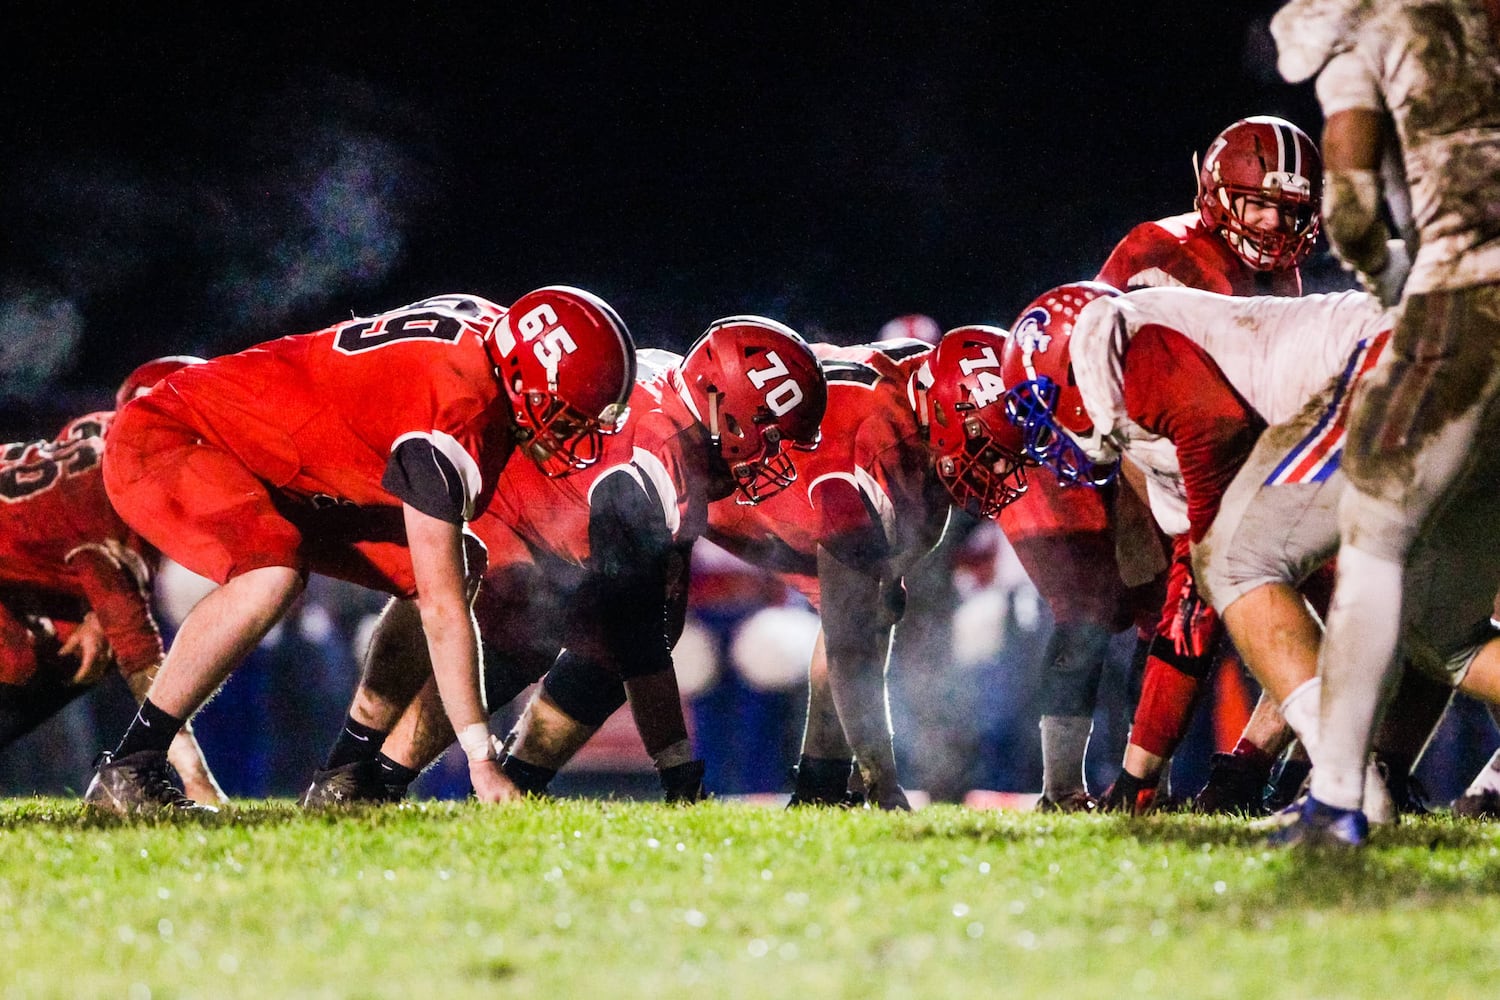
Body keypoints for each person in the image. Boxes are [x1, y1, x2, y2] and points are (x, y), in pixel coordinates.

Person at [84, 288, 636, 813]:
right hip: (176, 437)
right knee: (272, 572)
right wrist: (480, 759)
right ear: (523, 381)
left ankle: (344, 775)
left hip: (281, 465)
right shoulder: (452, 413)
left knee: (461, 561)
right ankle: (131, 765)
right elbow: (444, 614)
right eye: (567, 416)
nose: (572, 436)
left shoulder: (493, 341)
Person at [301, 317, 828, 805]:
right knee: (521, 634)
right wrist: (679, 773)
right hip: (502, 509)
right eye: (772, 431)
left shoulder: (680, 403)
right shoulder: (656, 465)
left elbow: (654, 620)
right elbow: (642, 645)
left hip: (556, 519)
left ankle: (511, 780)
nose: (776, 452)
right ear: (720, 404)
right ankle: (367, 775)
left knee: (602, 643)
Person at [1006, 115, 1324, 812]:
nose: (1273, 223)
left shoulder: (1282, 273)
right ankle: (1070, 787)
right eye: (1258, 203)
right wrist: (1125, 492)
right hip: (1123, 456)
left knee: (1209, 612)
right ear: (1216, 192)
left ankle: (1185, 783)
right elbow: (1083, 368)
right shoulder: (1162, 251)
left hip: (1205, 455)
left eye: (1288, 210)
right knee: (1096, 608)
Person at [997, 282, 1406, 820]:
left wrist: (1139, 782)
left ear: (1075, 373)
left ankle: (1345, 784)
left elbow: (1215, 426)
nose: (1050, 432)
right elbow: (1188, 611)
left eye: (1045, 406)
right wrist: (1136, 781)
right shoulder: (1140, 396)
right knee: (1435, 630)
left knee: (1244, 572)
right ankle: (1349, 780)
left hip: (1379, 370)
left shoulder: (1127, 357)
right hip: (1386, 367)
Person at [1268, 0, 1500, 846]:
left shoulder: (1372, 16)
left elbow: (1355, 208)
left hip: (1468, 295)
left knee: (1375, 536)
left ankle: (1337, 798)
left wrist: (1398, 283)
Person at [707, 335, 943, 810]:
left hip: (812, 472)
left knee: (869, 614)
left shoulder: (911, 391)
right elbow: (849, 650)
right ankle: (521, 774)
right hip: (766, 496)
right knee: (630, 638)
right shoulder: (849, 473)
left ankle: (819, 788)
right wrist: (884, 781)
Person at [0, 358, 221, 803]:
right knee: (31, 658)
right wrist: (199, 782)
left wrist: (95, 615)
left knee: (75, 641)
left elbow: (45, 528)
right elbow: (146, 669)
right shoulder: (112, 503)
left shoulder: (102, 432)